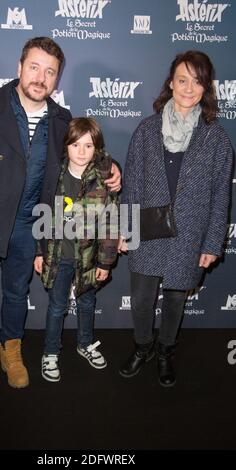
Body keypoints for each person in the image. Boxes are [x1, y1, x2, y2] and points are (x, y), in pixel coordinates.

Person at [0, 37, 121, 398]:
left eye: (50, 72)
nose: (41, 77)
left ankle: (11, 351)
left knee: (17, 294)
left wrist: (113, 168)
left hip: (28, 225)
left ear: (56, 80)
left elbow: (84, 157)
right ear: (20, 67)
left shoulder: (60, 119)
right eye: (34, 67)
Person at [118, 50, 233, 387]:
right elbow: (132, 185)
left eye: (197, 81)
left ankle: (166, 349)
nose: (188, 88)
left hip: (188, 235)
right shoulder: (146, 130)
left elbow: (220, 195)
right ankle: (143, 346)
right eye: (182, 80)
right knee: (141, 301)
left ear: (206, 87)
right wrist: (127, 229)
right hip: (147, 231)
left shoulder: (217, 138)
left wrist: (212, 242)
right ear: (171, 83)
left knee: (175, 300)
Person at [34, 117, 118, 382]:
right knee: (57, 306)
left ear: (97, 149)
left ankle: (84, 344)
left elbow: (109, 224)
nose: (81, 152)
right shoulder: (54, 176)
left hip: (89, 259)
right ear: (65, 147)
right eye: (75, 145)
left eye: (88, 146)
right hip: (59, 258)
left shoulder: (103, 181)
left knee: (87, 302)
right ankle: (50, 352)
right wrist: (39, 252)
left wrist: (105, 264)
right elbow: (42, 217)